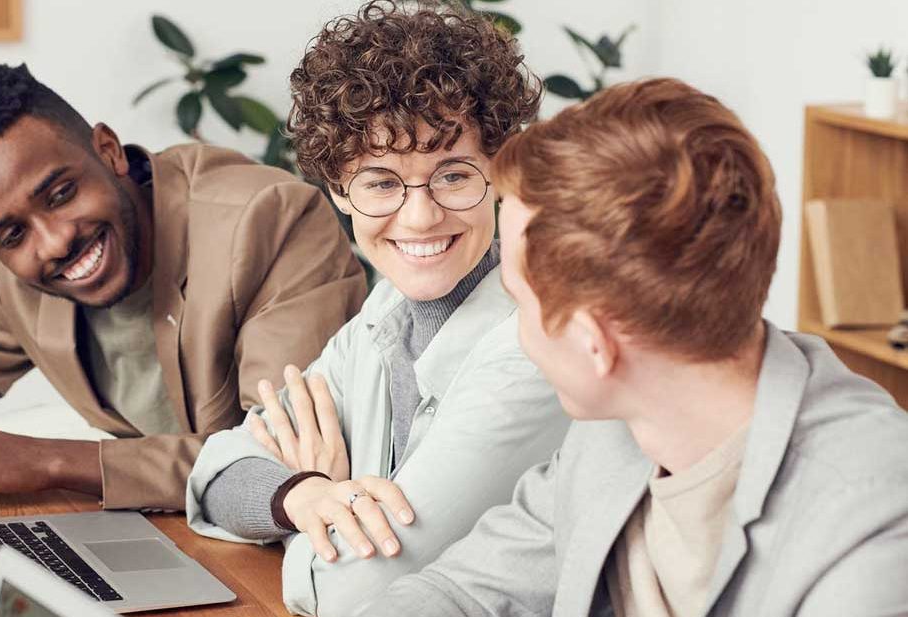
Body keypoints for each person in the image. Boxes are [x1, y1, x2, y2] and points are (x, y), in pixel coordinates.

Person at [361, 78, 908, 616]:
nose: (516, 328)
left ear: (594, 344)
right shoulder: (611, 434)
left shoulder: (870, 532)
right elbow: (463, 592)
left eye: (518, 302)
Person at [0, 63, 367, 511]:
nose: (51, 244)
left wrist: (51, 463)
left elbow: (277, 460)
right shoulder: (21, 278)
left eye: (59, 194)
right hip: (172, 536)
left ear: (108, 150)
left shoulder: (266, 220)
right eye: (10, 234)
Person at [184, 3, 569, 615]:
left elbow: (352, 592)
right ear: (339, 190)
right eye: (382, 182)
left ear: (499, 171)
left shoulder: (534, 351)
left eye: (453, 175)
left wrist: (324, 497)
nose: (420, 216)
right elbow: (214, 473)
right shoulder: (379, 319)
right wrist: (302, 496)